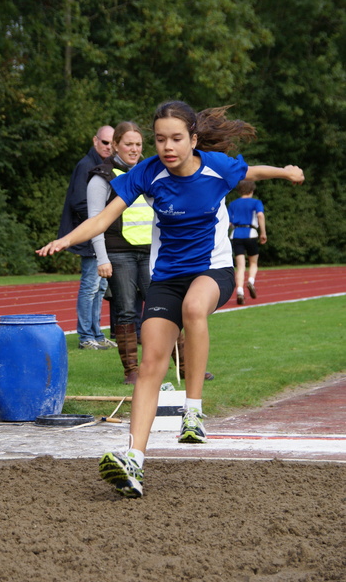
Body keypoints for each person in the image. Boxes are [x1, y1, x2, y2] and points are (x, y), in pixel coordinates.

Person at [36, 101, 304, 498]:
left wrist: (286, 172)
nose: (167, 146)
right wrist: (66, 239)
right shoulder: (147, 173)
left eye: (176, 138)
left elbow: (251, 172)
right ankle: (134, 461)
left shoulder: (216, 167)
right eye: (160, 139)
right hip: (167, 278)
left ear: (193, 140)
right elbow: (103, 219)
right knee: (149, 366)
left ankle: (193, 411)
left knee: (196, 309)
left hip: (211, 272)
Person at [87, 121, 152, 383]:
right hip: (119, 253)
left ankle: (184, 365)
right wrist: (102, 258)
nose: (134, 149)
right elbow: (94, 220)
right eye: (128, 144)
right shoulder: (101, 176)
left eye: (138, 144)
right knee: (126, 311)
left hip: (150, 252)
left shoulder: (149, 172)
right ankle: (131, 371)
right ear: (115, 145)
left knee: (163, 308)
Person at [57, 125, 117, 350]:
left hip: (98, 233)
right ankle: (85, 336)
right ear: (95, 141)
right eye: (105, 142)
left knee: (100, 287)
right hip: (89, 235)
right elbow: (79, 202)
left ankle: (97, 334)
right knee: (91, 285)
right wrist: (101, 220)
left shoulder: (103, 165)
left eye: (112, 143)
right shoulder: (86, 166)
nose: (108, 147)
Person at [228, 180, 267, 305]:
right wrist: (263, 232)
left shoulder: (233, 204)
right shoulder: (256, 202)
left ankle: (239, 291)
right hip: (250, 233)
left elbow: (228, 222)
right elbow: (260, 215)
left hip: (236, 234)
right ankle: (251, 281)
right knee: (253, 262)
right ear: (252, 191)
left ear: (239, 190)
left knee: (240, 266)